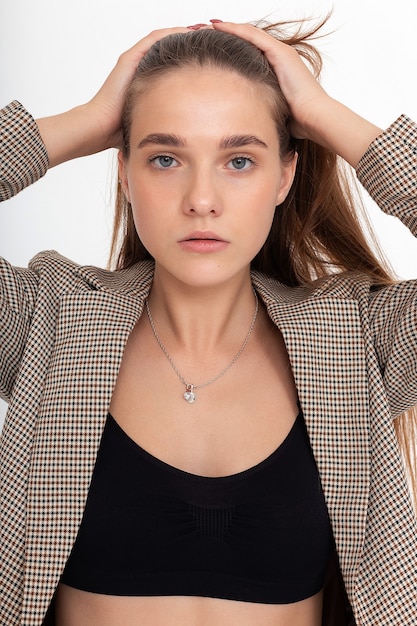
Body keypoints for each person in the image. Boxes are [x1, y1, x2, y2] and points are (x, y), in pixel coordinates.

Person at [1, 17, 416, 626]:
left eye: (239, 161)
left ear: (286, 174)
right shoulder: (48, 319)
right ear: (123, 170)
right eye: (165, 158)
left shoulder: (357, 337)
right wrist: (81, 123)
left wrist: (329, 118)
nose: (201, 198)